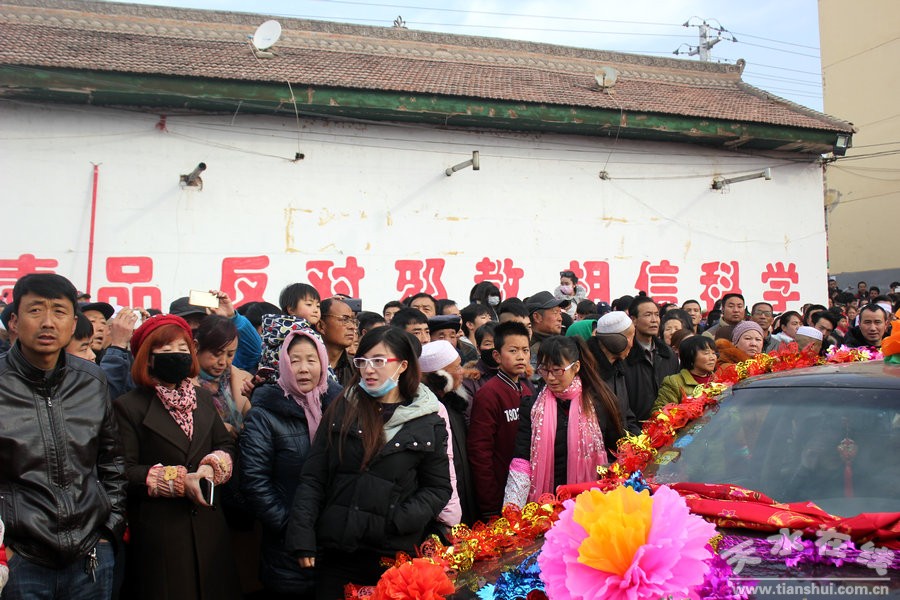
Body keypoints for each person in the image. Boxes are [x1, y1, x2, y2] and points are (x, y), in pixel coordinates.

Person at [285, 327, 451, 599]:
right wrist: (302, 537)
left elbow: (438, 489)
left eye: (379, 361)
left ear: (403, 365)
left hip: (392, 555)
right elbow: (314, 477)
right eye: (362, 362)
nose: (369, 370)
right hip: (339, 550)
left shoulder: (427, 420)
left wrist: (396, 520)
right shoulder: (342, 408)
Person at [0, 274, 126, 600]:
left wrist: (108, 529)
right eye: (35, 310)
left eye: (58, 311)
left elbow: (111, 461)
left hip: (90, 556)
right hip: (19, 559)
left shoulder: (91, 380)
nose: (47, 322)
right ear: (14, 320)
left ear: (73, 323)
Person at [113, 314, 240, 600]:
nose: (177, 356)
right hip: (161, 536)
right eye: (166, 351)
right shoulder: (128, 407)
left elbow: (224, 444)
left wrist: (212, 467)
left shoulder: (203, 398)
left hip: (210, 531)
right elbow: (124, 470)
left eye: (183, 349)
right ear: (147, 357)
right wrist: (180, 480)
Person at [241, 327, 341, 599]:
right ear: (283, 364)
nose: (304, 368)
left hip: (337, 545)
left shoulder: (341, 407)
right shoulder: (264, 415)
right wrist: (294, 529)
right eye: (294, 360)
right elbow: (255, 483)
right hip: (286, 548)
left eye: (311, 359)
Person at [506, 335, 624, 507]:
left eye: (557, 370)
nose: (551, 378)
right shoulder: (532, 405)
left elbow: (616, 449)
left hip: (591, 499)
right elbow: (522, 457)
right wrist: (512, 506)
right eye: (545, 370)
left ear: (576, 367)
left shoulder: (600, 403)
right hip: (547, 501)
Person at [467, 321, 533, 518]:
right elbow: (480, 450)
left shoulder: (527, 389)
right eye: (513, 350)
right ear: (497, 355)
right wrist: (490, 504)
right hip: (498, 494)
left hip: (524, 489)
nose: (521, 356)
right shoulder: (489, 394)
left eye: (525, 350)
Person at [418, 340, 478, 527]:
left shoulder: (455, 402)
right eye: (457, 367)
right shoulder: (426, 409)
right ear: (440, 375)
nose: (462, 372)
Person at [193, 314, 252, 438]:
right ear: (196, 347)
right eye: (216, 354)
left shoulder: (244, 380)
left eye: (230, 355)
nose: (223, 362)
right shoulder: (181, 385)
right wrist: (219, 428)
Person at [624, 296, 679, 421]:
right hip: (636, 429)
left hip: (667, 426)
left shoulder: (668, 354)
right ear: (634, 320)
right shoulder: (625, 355)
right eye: (648, 315)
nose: (654, 320)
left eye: (656, 315)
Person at [585, 311, 640, 435]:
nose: (632, 344)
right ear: (617, 341)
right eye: (630, 337)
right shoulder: (588, 372)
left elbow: (626, 415)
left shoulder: (618, 369)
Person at [653, 336, 718, 412]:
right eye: (706, 353)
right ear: (691, 356)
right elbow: (660, 413)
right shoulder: (674, 382)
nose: (712, 357)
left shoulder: (718, 379)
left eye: (713, 353)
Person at [315, 298, 357, 386]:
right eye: (344, 319)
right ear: (321, 326)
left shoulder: (356, 366)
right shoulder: (305, 365)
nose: (352, 327)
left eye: (353, 321)